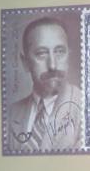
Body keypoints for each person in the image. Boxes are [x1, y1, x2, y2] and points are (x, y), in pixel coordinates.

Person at [7, 16, 82, 153]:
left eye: (59, 52)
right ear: (25, 62)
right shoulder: (10, 114)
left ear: (68, 55)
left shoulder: (86, 109)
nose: (52, 65)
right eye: (41, 54)